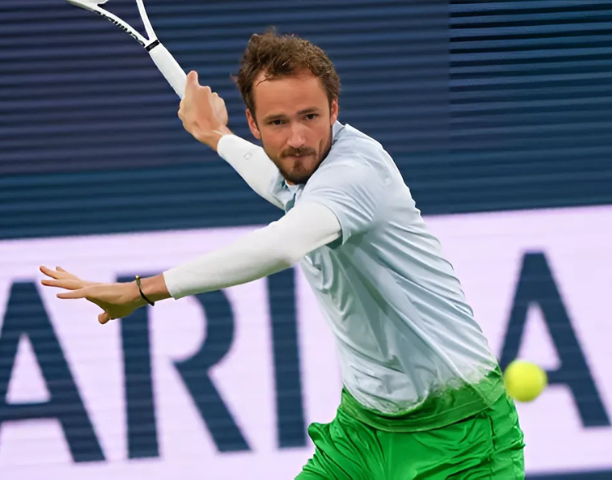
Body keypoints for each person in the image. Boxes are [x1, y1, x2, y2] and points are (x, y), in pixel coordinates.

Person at [41, 31, 525, 479]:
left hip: (462, 438)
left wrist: (143, 290)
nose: (297, 138)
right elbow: (277, 181)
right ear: (253, 122)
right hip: (362, 430)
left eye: (310, 117)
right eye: (277, 122)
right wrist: (217, 137)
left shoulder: (354, 174)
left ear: (334, 109)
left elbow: (281, 243)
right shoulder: (304, 173)